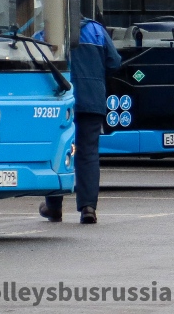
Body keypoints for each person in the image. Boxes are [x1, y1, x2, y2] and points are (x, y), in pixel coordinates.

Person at [39, 17, 121, 224]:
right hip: (91, 101)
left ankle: (54, 207)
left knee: (57, 151)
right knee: (88, 153)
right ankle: (88, 208)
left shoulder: (47, 32)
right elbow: (114, 62)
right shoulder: (96, 31)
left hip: (60, 100)